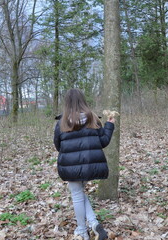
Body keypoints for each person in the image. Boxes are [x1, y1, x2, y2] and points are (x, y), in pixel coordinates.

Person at [53, 88, 115, 240]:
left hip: (70, 166)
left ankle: (82, 230)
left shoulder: (62, 123)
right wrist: (110, 125)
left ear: (67, 103)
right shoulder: (93, 119)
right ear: (83, 101)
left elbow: (58, 146)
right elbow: (103, 142)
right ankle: (94, 223)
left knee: (77, 195)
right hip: (90, 166)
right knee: (79, 194)